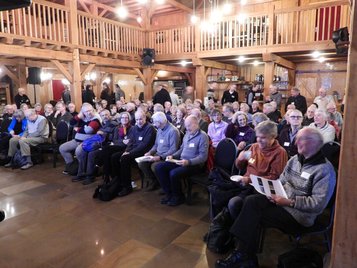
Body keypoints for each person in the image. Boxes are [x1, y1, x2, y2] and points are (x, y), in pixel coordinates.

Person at [216, 127, 336, 268]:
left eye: (300, 139)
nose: (296, 142)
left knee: (253, 215)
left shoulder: (325, 170)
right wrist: (272, 190)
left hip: (299, 215)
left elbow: (318, 204)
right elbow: (282, 179)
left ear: (313, 143)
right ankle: (244, 253)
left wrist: (289, 202)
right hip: (282, 200)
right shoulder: (295, 160)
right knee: (250, 201)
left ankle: (243, 254)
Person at [227, 120, 288, 219]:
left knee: (234, 203)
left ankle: (241, 228)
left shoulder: (280, 152)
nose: (258, 140)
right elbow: (240, 167)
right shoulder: (254, 147)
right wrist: (240, 159)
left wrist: (249, 180)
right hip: (245, 184)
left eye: (263, 137)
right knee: (221, 194)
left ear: (273, 137)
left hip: (262, 189)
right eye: (257, 136)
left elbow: (274, 177)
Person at [155, 115, 209, 206]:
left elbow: (203, 157)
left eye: (189, 125)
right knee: (159, 167)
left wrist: (189, 162)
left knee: (174, 173)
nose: (187, 128)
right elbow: (181, 150)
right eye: (186, 126)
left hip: (194, 165)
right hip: (181, 161)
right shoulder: (187, 134)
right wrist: (172, 156)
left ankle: (178, 197)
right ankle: (169, 194)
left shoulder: (203, 136)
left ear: (196, 124)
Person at [111, 110, 156, 197]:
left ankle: (127, 186)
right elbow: (131, 142)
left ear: (145, 118)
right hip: (134, 151)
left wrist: (129, 153)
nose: (139, 121)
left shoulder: (150, 128)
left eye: (141, 119)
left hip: (144, 152)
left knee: (125, 159)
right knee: (115, 157)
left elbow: (144, 145)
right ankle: (117, 182)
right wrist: (126, 151)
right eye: (137, 119)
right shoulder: (135, 128)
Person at [138, 112, 180, 191]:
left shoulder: (173, 131)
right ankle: (154, 181)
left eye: (154, 122)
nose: (153, 124)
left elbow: (173, 149)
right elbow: (156, 145)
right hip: (157, 154)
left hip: (167, 156)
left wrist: (160, 157)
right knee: (142, 163)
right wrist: (150, 152)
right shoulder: (160, 129)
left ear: (159, 122)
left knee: (154, 166)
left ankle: (164, 185)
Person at [75, 109, 118, 185]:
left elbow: (114, 138)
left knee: (91, 153)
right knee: (83, 151)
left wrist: (104, 134)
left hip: (107, 145)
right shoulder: (102, 125)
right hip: (99, 143)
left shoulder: (114, 124)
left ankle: (90, 176)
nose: (105, 117)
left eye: (107, 115)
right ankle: (81, 173)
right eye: (103, 115)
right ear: (100, 116)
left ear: (110, 115)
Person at [60, 103, 101, 175]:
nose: (89, 112)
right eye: (86, 111)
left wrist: (78, 129)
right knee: (62, 148)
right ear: (83, 112)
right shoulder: (82, 117)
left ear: (93, 110)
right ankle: (71, 166)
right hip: (76, 140)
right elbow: (71, 123)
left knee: (78, 151)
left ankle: (81, 169)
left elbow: (88, 130)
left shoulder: (95, 119)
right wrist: (78, 116)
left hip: (87, 142)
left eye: (90, 110)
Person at [101, 111, 132, 181]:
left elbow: (130, 140)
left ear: (129, 119)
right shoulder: (117, 128)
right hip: (118, 146)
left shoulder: (132, 128)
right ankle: (110, 175)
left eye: (126, 118)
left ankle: (108, 175)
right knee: (106, 150)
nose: (124, 119)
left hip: (127, 148)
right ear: (120, 119)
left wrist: (124, 142)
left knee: (107, 151)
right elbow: (114, 140)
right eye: (123, 118)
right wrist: (122, 141)